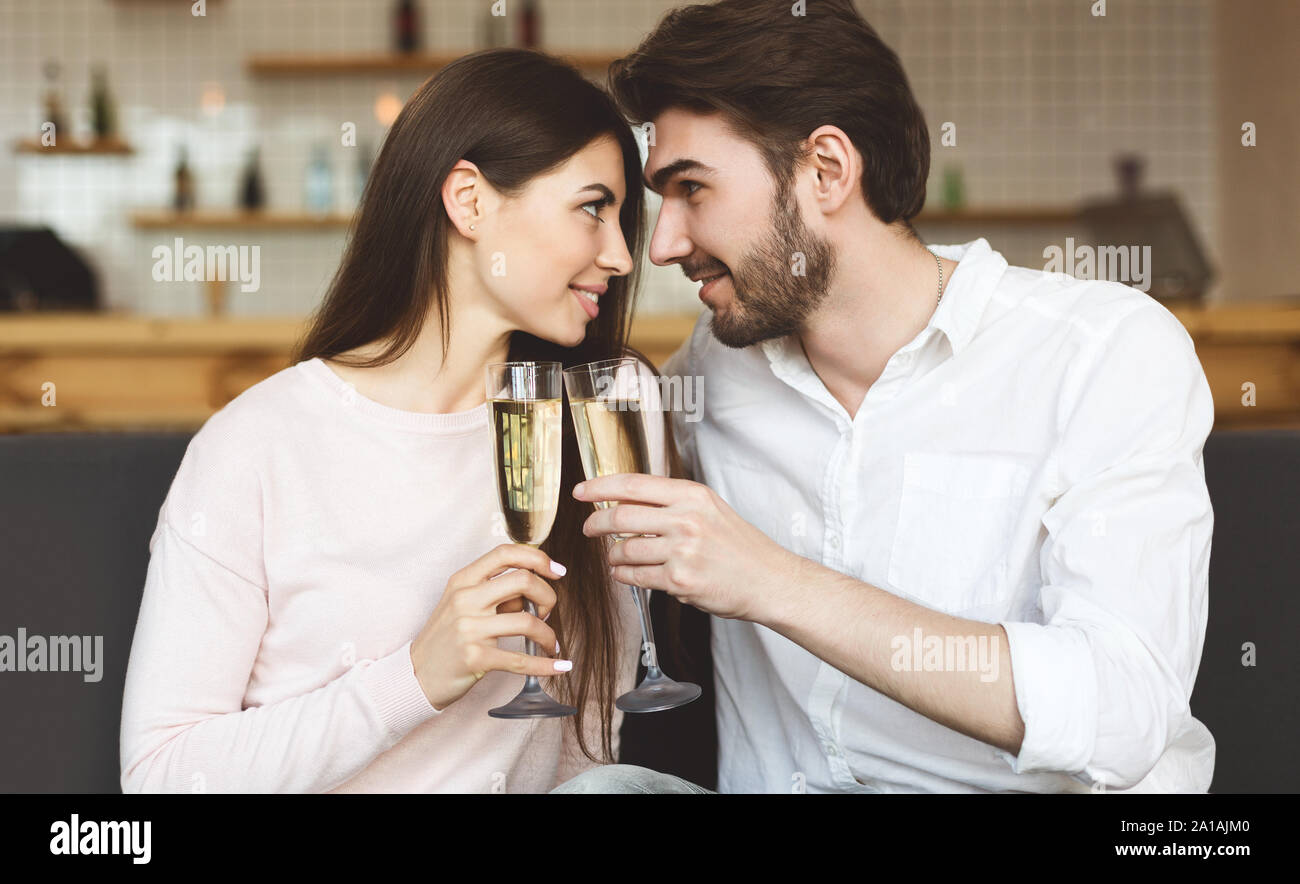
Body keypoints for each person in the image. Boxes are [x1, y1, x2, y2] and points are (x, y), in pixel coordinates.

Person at [554, 0, 1215, 794]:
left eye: (692, 188)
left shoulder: (1099, 353)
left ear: (827, 169)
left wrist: (772, 579)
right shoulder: (717, 370)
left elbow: (1124, 710)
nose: (661, 246)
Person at [119, 48, 671, 793]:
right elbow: (159, 777)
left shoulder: (603, 409)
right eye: (592, 208)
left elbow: (586, 745)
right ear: (469, 200)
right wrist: (414, 677)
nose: (620, 255)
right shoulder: (257, 444)